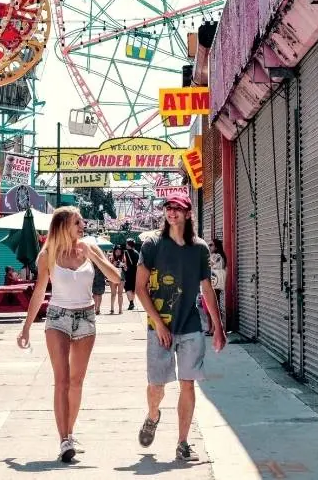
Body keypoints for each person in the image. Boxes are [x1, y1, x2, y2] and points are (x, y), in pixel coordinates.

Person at [16, 207, 122, 462]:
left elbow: (116, 278)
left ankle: (70, 433)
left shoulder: (89, 248)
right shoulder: (48, 254)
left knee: (76, 382)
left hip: (86, 318)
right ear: (63, 225)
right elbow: (40, 292)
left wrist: (93, 257)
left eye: (82, 222)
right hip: (57, 318)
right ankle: (64, 440)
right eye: (77, 222)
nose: (82, 226)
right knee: (62, 380)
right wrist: (26, 327)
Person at [135, 193, 226, 462]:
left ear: (188, 213)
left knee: (188, 384)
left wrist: (218, 327)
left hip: (190, 326)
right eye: (168, 207)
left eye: (178, 208)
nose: (172, 212)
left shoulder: (199, 248)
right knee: (157, 386)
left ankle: (183, 443)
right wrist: (159, 324)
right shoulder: (152, 244)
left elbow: (207, 289)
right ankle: (153, 415)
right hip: (159, 327)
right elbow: (140, 288)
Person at [207, 239, 227, 334]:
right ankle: (213, 328)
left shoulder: (217, 256)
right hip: (214, 283)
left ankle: (214, 329)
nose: (209, 247)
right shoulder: (217, 256)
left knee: (214, 306)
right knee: (214, 305)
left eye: (211, 245)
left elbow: (208, 265)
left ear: (216, 247)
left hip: (215, 283)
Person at [109, 246, 127, 314]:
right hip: (113, 277)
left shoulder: (123, 258)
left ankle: (120, 309)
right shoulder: (111, 257)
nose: (118, 252)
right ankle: (112, 309)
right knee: (113, 294)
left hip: (121, 277)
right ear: (114, 251)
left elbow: (126, 269)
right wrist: (113, 264)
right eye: (117, 251)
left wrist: (124, 266)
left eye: (119, 251)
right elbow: (108, 267)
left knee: (120, 294)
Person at [124, 239, 140, 310]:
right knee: (133, 289)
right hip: (136, 272)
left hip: (128, 272)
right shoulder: (137, 253)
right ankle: (132, 302)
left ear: (128, 244)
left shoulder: (125, 253)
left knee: (128, 288)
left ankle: (131, 302)